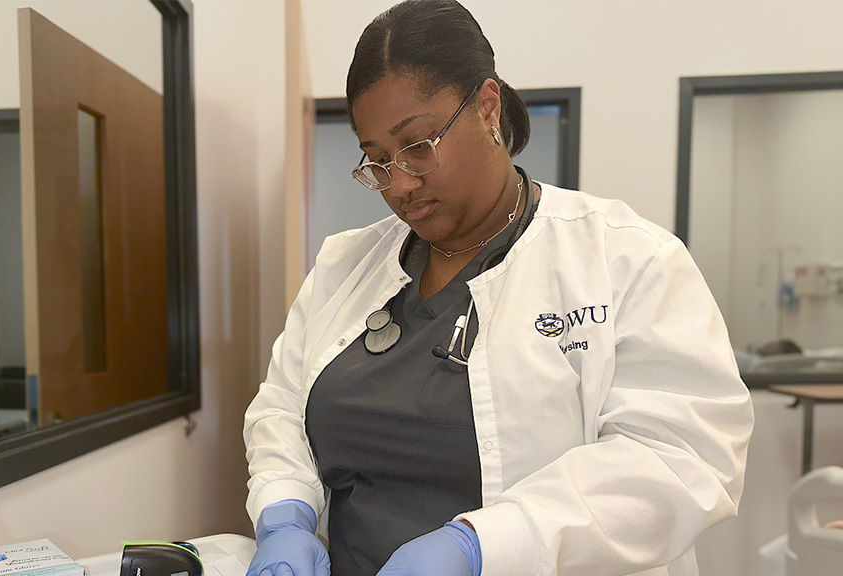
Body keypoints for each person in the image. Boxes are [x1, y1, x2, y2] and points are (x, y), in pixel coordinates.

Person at [242, 1, 754, 575]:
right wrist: (284, 512)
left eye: (418, 146)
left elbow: (680, 458)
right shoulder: (344, 264)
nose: (400, 184)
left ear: (487, 107)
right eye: (377, 161)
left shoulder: (626, 259)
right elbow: (282, 408)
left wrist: (484, 546)